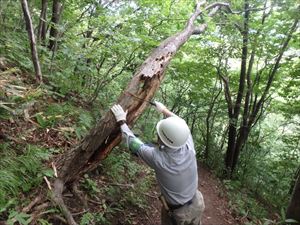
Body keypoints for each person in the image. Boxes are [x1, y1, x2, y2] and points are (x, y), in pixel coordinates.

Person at [111, 101, 205, 225]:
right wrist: (163, 110)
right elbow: (180, 123)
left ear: (161, 138)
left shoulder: (158, 159)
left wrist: (121, 121)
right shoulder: (187, 142)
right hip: (197, 202)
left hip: (178, 214)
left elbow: (132, 143)